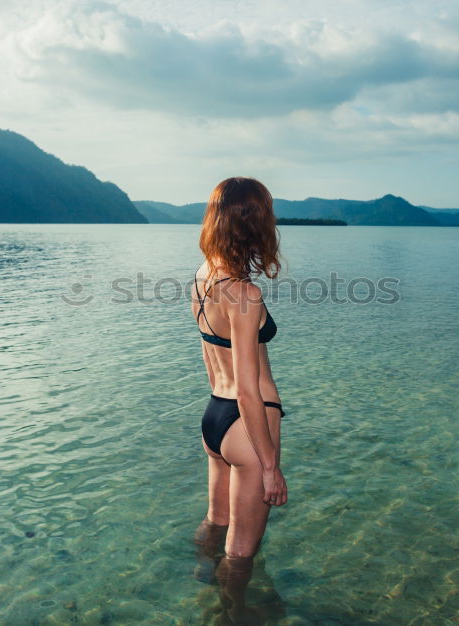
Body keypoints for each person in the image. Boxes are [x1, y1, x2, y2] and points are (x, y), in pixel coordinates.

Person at [191, 177, 287, 617]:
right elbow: (250, 390)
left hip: (215, 419)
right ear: (254, 225)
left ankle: (200, 584)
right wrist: (269, 468)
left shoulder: (203, 276)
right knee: (242, 551)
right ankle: (233, 613)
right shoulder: (244, 294)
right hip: (248, 427)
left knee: (216, 522)